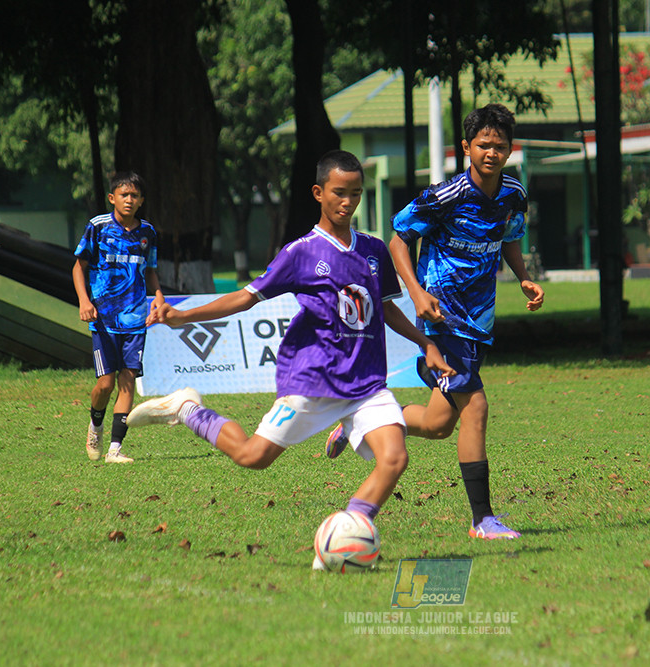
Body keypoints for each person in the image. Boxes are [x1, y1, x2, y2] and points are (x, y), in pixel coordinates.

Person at [126, 150, 454, 567]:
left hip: (366, 385)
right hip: (313, 381)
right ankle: (187, 408)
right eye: (338, 192)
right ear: (318, 193)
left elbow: (386, 307)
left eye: (355, 193)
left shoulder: (373, 250)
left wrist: (425, 342)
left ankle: (344, 539)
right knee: (251, 457)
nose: (347, 202)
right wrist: (182, 316)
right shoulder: (300, 252)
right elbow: (246, 297)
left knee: (394, 459)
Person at [329, 103, 544, 540]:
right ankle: (482, 519)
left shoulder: (513, 195)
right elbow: (399, 239)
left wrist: (523, 278)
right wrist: (416, 293)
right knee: (477, 407)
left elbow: (511, 239)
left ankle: (359, 419)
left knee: (439, 424)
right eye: (484, 145)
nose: (492, 153)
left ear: (509, 150)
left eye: (500, 146)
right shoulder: (445, 196)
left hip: (478, 318)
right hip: (443, 318)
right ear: (467, 147)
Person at [73, 171, 164, 464]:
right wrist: (84, 301)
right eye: (124, 194)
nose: (129, 199)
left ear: (141, 201)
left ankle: (115, 449)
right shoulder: (97, 227)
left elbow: (149, 269)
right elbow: (79, 266)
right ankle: (95, 426)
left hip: (136, 318)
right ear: (113, 198)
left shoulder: (147, 232)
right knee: (105, 384)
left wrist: (158, 295)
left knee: (127, 381)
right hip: (103, 317)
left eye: (134, 195)